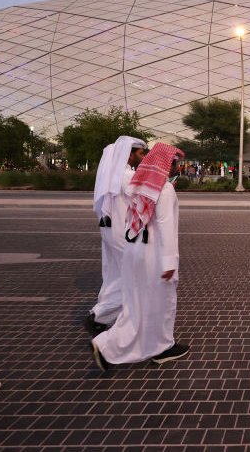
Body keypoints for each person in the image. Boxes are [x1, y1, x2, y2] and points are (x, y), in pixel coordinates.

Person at [91, 143, 189, 371]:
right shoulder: (164, 190)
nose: (177, 168)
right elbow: (165, 226)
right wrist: (169, 263)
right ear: (168, 164)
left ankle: (148, 346)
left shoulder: (138, 185)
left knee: (137, 306)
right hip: (153, 254)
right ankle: (112, 346)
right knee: (161, 303)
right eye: (176, 163)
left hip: (134, 250)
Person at [84, 136, 148, 337]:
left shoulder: (114, 175)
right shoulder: (126, 176)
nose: (143, 156)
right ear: (129, 154)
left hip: (112, 232)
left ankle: (102, 314)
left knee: (116, 275)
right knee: (135, 276)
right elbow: (148, 195)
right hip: (123, 233)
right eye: (140, 153)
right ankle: (101, 316)